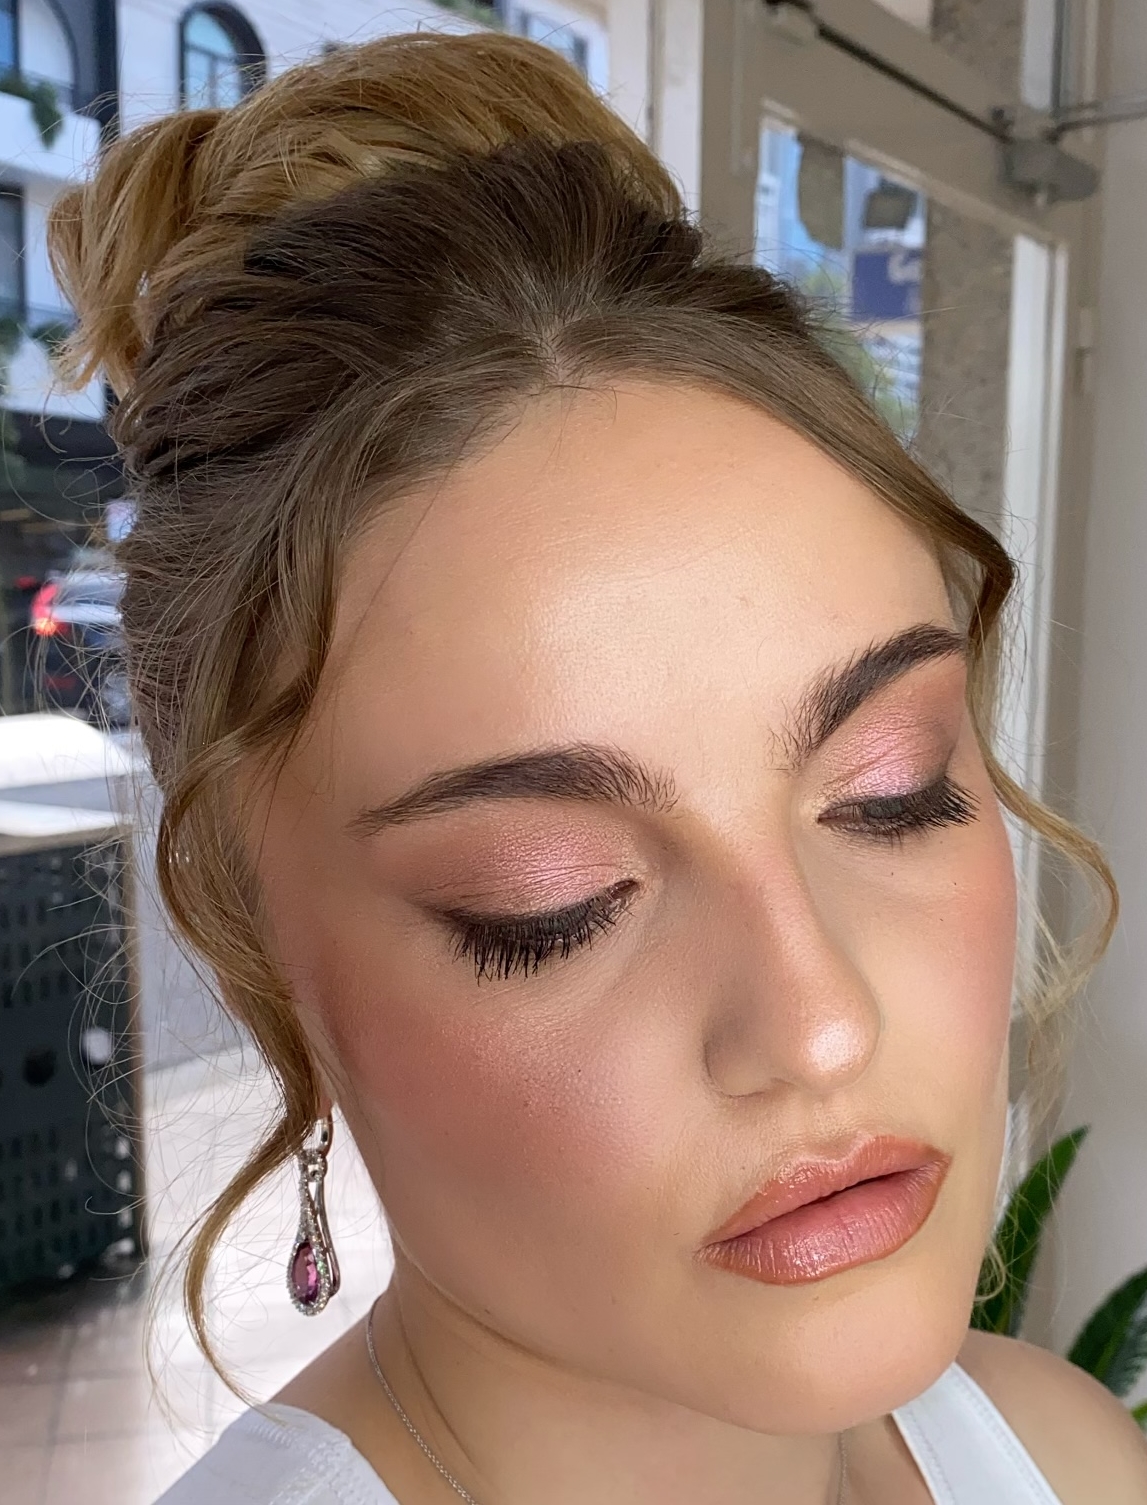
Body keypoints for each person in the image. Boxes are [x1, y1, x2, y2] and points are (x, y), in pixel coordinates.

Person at [48, 30, 1147, 1505]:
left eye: (894, 790)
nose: (823, 1025)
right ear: (257, 948)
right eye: (551, 903)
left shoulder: (1064, 1456)